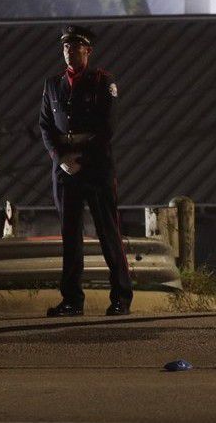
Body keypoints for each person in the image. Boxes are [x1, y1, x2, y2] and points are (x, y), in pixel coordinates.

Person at [39, 25, 133, 317]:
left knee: (108, 232)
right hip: (65, 169)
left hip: (95, 167)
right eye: (65, 46)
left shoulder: (103, 81)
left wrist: (83, 159)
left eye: (74, 46)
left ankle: (121, 297)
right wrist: (60, 158)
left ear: (87, 50)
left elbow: (107, 127)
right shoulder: (53, 84)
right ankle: (71, 300)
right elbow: (45, 126)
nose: (68, 51)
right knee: (70, 236)